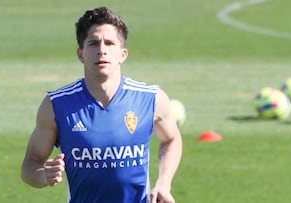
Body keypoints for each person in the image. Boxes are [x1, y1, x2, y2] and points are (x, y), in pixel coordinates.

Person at [21, 6, 182, 203]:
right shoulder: (56, 105)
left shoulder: (151, 99)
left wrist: (164, 184)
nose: (102, 50)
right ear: (81, 54)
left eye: (110, 43)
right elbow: (30, 164)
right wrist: (43, 176)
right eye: (93, 43)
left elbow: (172, 140)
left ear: (123, 54)